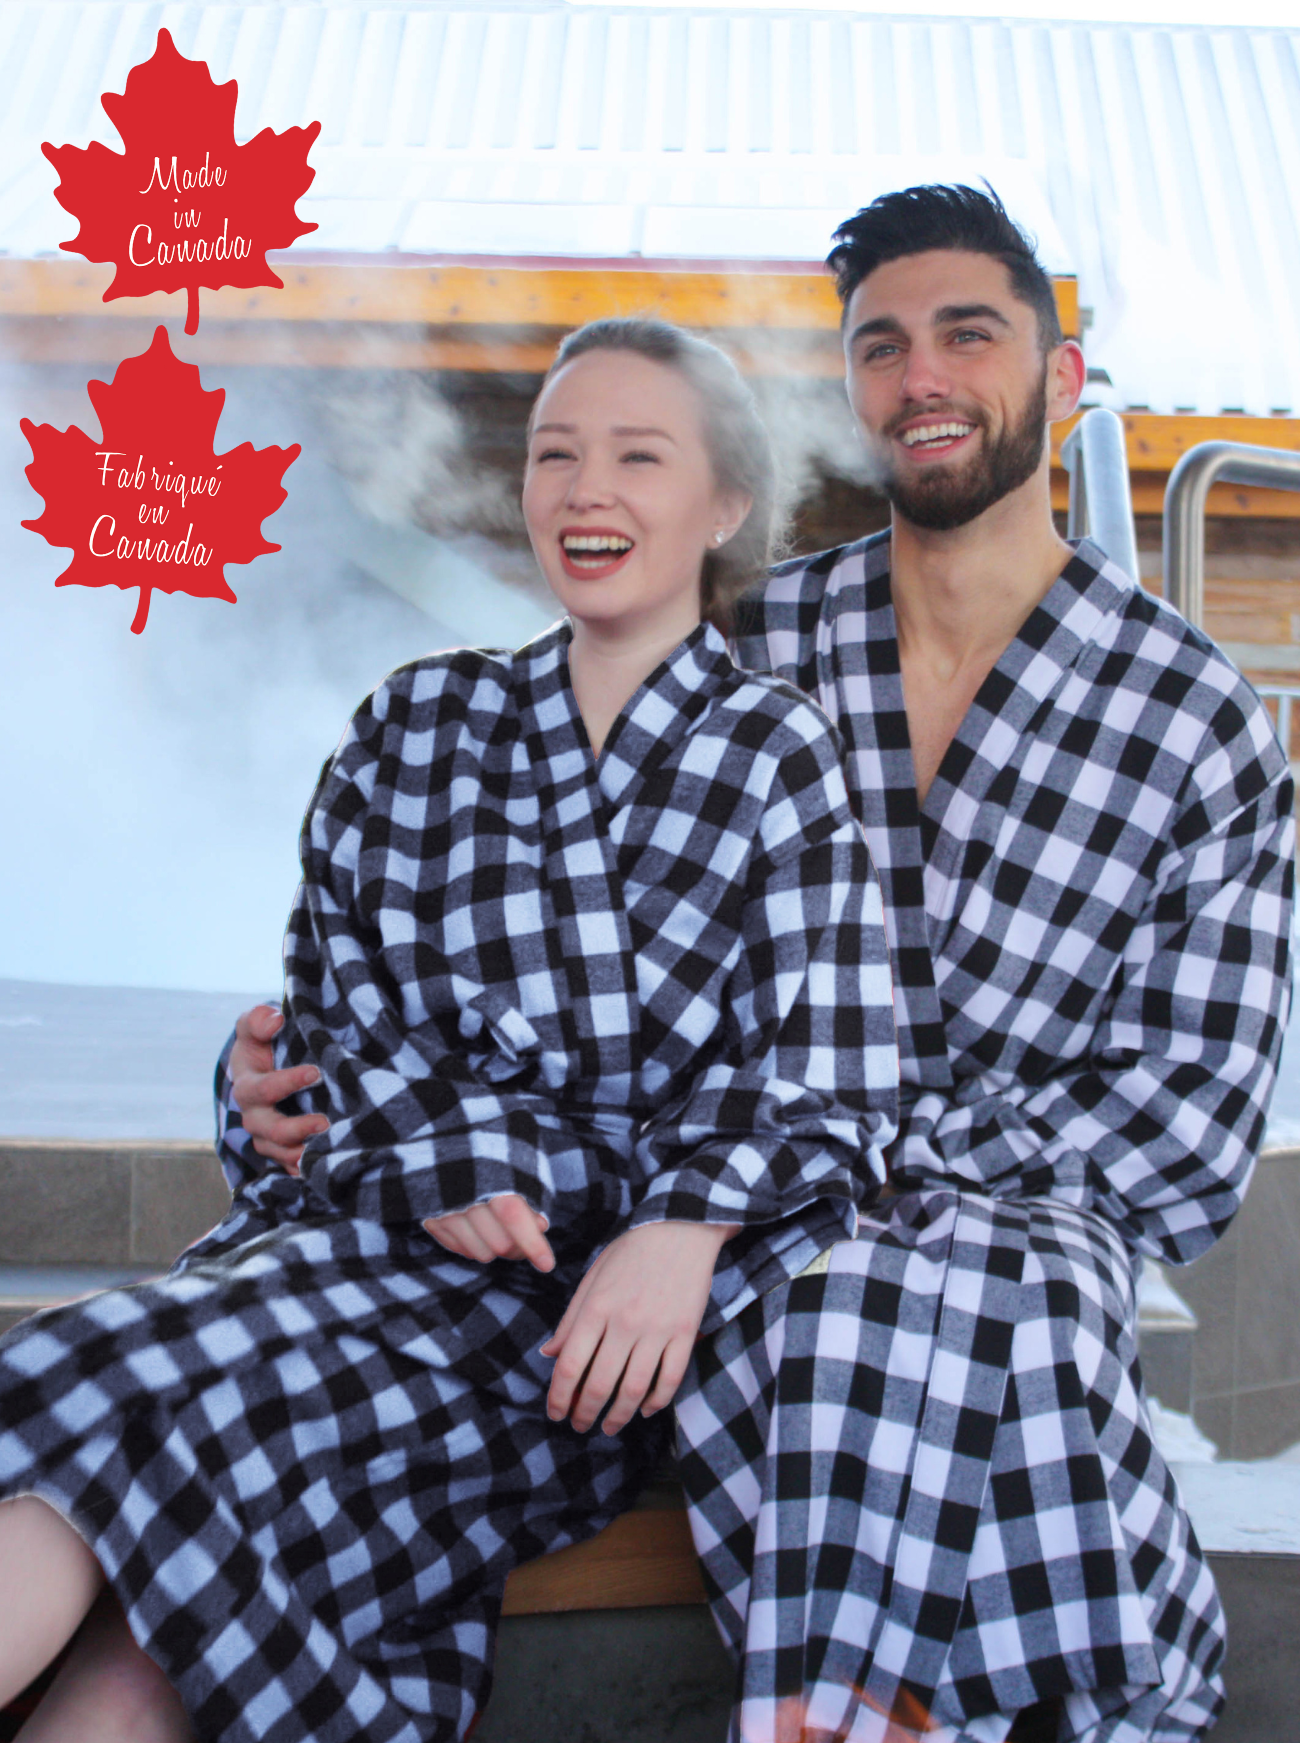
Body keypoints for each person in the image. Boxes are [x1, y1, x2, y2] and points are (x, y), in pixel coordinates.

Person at [231, 184, 1293, 1743]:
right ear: (850, 393)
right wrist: (300, 1077)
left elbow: (1189, 1117)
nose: (922, 375)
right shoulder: (747, 650)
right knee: (837, 1294)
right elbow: (499, 938)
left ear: (1063, 383)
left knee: (953, 1294)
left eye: (968, 334)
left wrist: (875, 1162)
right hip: (727, 1213)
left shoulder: (1196, 718)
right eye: (880, 346)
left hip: (971, 1220)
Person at [0, 318, 899, 1743]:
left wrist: (685, 1230)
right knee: (140, 1439)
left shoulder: (777, 757)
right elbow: (312, 1054)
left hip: (552, 1339)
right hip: (346, 1257)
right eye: (555, 453)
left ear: (727, 503)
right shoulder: (414, 721)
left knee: (150, 1428)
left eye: (636, 454)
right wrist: (300, 1114)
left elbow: (832, 1081)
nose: (583, 488)